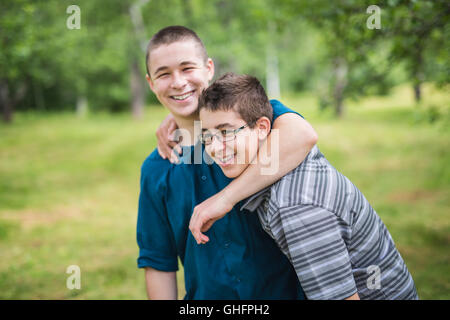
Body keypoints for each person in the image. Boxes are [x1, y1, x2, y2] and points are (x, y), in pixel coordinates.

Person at [195, 72, 419, 300]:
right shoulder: (286, 159)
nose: (214, 148)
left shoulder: (293, 207)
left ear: (262, 127)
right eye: (207, 137)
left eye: (225, 132)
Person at [137, 25, 318, 299]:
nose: (177, 82)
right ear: (151, 84)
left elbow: (302, 135)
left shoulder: (250, 122)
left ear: (208, 69)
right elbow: (158, 262)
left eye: (187, 68)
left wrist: (226, 197)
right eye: (164, 74)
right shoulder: (156, 169)